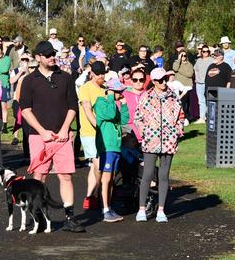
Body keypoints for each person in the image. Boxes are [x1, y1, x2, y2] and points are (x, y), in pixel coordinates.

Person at [19, 40, 84, 233]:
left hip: (62, 136)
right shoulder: (29, 80)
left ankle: (70, 218)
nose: (52, 57)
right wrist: (42, 131)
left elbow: (73, 105)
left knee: (65, 176)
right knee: (39, 176)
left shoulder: (65, 77)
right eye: (47, 55)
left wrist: (65, 129)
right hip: (39, 136)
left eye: (53, 54)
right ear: (38, 57)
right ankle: (39, 218)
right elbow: (25, 110)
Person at [134, 67, 185, 223]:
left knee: (163, 175)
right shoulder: (146, 97)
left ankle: (161, 210)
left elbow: (181, 117)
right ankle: (141, 209)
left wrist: (177, 131)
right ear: (154, 82)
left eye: (165, 79)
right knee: (148, 174)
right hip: (151, 141)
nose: (164, 82)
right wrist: (145, 131)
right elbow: (137, 117)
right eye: (161, 80)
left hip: (169, 141)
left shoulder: (173, 97)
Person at [94, 79, 129, 222]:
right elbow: (108, 114)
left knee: (111, 179)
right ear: (110, 91)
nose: (121, 94)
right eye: (118, 92)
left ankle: (109, 206)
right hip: (107, 147)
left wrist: (124, 104)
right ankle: (105, 209)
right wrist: (109, 96)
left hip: (115, 147)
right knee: (106, 179)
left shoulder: (113, 104)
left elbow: (124, 120)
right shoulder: (101, 103)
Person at [77, 61, 107, 210]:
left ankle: (89, 196)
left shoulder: (105, 89)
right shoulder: (85, 88)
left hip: (104, 134)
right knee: (99, 165)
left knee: (95, 167)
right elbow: (87, 109)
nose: (101, 76)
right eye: (98, 73)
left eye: (103, 73)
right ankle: (99, 195)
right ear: (91, 73)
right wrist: (98, 126)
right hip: (90, 133)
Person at [193, 45, 214, 123]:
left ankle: (210, 117)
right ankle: (202, 118)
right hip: (199, 83)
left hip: (208, 83)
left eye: (207, 51)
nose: (205, 53)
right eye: (204, 51)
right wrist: (196, 78)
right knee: (201, 101)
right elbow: (196, 70)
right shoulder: (198, 60)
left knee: (209, 100)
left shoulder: (212, 60)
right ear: (201, 52)